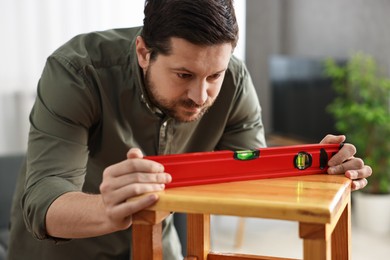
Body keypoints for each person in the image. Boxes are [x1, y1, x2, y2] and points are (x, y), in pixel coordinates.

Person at [7, 0, 372, 259]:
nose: (201, 96)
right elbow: (43, 201)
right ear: (143, 52)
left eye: (214, 75)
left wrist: (314, 168)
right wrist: (110, 208)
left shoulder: (234, 80)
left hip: (158, 247)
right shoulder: (76, 71)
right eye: (184, 75)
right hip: (65, 251)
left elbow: (250, 171)